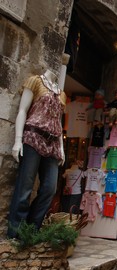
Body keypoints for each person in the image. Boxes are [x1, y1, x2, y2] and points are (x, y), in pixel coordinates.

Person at [7, 68, 67, 238]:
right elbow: (22, 111)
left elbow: (58, 122)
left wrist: (62, 148)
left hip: (53, 142)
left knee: (49, 188)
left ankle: (32, 229)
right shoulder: (35, 81)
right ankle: (16, 233)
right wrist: (18, 140)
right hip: (33, 136)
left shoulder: (61, 94)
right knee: (25, 186)